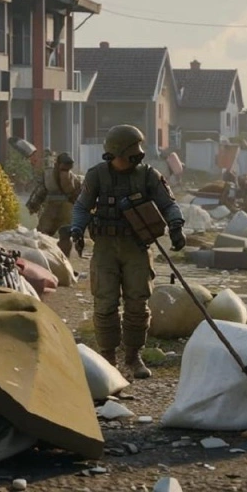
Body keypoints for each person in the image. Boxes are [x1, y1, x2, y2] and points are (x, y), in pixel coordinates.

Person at [71, 125, 186, 380]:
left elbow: (169, 204)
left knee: (137, 303)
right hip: (105, 249)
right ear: (116, 153)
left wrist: (176, 226)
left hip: (137, 248)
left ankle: (134, 356)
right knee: (105, 303)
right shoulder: (96, 176)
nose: (139, 156)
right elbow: (81, 207)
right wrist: (77, 229)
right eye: (132, 151)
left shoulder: (148, 176)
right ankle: (108, 358)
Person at [26, 152, 83, 256]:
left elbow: (40, 191)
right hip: (66, 210)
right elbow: (80, 196)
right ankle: (64, 262)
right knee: (64, 237)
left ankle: (47, 259)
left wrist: (32, 205)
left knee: (42, 236)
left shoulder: (48, 175)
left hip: (51, 209)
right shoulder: (74, 178)